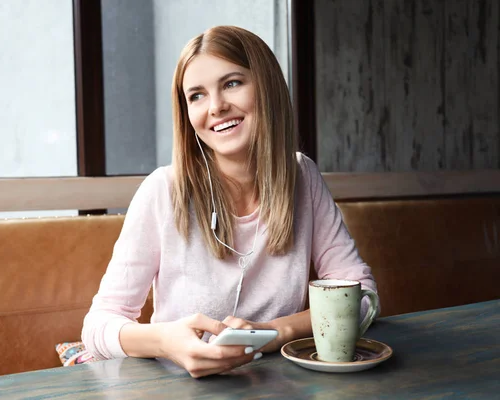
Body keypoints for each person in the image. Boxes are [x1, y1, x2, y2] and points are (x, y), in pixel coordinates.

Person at [82, 25, 378, 378]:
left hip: (278, 384)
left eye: (232, 83)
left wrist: (272, 332)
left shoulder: (303, 176)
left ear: (265, 85)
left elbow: (363, 298)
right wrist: (166, 342)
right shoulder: (163, 189)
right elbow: (98, 325)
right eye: (197, 95)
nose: (217, 107)